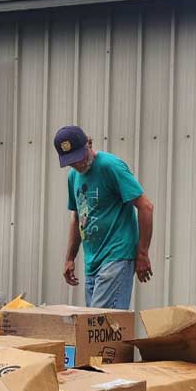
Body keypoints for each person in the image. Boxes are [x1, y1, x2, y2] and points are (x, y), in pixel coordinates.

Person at [54, 125, 155, 310]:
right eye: (71, 162)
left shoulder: (110, 166)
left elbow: (146, 206)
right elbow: (78, 218)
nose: (78, 165)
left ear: (89, 144)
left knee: (100, 325)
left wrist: (142, 253)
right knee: (95, 330)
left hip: (116, 255)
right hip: (92, 262)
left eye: (80, 158)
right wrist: (70, 258)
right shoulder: (73, 177)